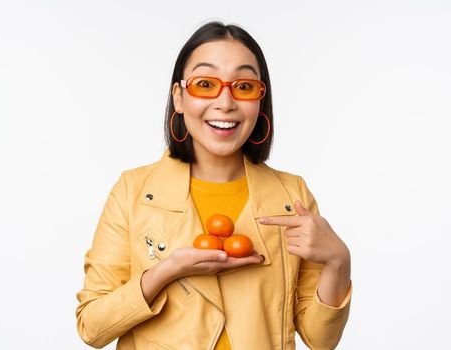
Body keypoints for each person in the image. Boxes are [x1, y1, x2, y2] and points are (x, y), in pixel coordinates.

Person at [75, 21, 352, 350]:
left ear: (260, 100)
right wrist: (166, 272)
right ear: (178, 97)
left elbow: (321, 340)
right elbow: (92, 327)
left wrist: (339, 261)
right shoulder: (133, 191)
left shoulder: (292, 196)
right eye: (205, 84)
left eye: (244, 87)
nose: (225, 102)